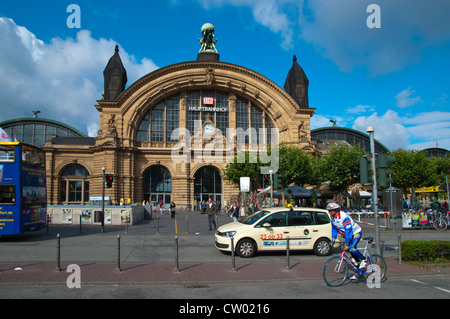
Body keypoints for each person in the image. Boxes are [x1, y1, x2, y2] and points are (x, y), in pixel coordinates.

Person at [327, 203, 366, 275]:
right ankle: (359, 270)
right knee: (351, 252)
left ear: (335, 211)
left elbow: (349, 231)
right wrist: (333, 240)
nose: (329, 213)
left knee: (351, 248)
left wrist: (347, 243)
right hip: (348, 235)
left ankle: (363, 259)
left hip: (355, 233)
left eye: (330, 211)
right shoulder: (332, 218)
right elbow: (334, 229)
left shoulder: (344, 217)